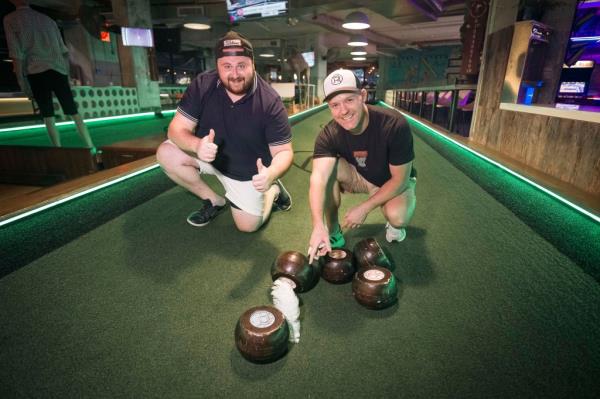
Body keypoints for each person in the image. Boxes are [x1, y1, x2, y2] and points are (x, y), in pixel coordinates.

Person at [156, 31, 293, 232]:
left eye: (242, 66)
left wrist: (271, 173)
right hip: (209, 156)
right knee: (166, 153)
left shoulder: (270, 102)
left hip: (247, 171)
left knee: (247, 227)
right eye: (227, 66)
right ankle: (214, 200)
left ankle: (273, 190)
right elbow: (176, 130)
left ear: (253, 64)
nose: (235, 74)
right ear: (218, 66)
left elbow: (284, 152)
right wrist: (196, 145)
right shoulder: (203, 85)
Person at [307, 69, 416, 263]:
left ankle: (393, 223)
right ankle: (333, 230)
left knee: (398, 218)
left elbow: (400, 179)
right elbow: (318, 179)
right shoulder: (329, 134)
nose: (343, 111)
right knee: (327, 170)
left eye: (349, 100)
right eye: (335, 105)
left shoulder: (394, 124)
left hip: (391, 180)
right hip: (359, 175)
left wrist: (365, 208)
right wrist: (317, 224)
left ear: (363, 96)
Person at [3, 0, 94, 150]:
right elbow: (63, 51)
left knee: (48, 115)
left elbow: (16, 53)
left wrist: (21, 81)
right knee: (73, 112)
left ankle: (57, 149)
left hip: (36, 71)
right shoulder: (48, 20)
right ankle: (91, 147)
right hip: (58, 69)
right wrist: (66, 75)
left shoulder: (10, 19)